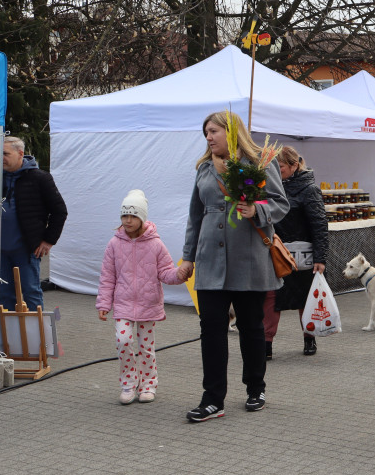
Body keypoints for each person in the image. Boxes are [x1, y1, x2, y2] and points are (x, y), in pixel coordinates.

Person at [179, 111, 289, 423]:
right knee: (211, 328)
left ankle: (256, 388)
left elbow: (281, 204)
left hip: (249, 260)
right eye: (206, 133)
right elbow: (195, 216)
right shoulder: (203, 168)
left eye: (213, 131)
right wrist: (188, 257)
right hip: (210, 261)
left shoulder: (259, 163)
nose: (209, 138)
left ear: (230, 132)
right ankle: (213, 398)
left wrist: (257, 209)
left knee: (250, 326)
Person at [96, 190, 187, 404]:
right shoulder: (114, 244)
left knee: (146, 348)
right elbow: (107, 276)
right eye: (124, 216)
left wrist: (180, 274)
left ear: (142, 218)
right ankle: (128, 383)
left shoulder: (156, 244)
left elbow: (166, 272)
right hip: (123, 304)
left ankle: (148, 384)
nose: (127, 220)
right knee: (123, 340)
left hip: (148, 304)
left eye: (133, 216)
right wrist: (103, 303)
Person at [262, 146, 328, 359]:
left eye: (279, 167)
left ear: (294, 165)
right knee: (271, 299)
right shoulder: (271, 187)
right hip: (277, 253)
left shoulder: (309, 190)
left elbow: (319, 224)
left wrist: (320, 258)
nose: (275, 171)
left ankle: (309, 337)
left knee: (306, 299)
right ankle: (266, 344)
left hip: (304, 254)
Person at [0, 136, 68, 311]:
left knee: (30, 292)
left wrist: (48, 240)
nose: (1, 157)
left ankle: (37, 337)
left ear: (20, 153)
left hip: (27, 249)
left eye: (5, 153)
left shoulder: (40, 178)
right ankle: (10, 337)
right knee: (4, 293)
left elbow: (59, 211)